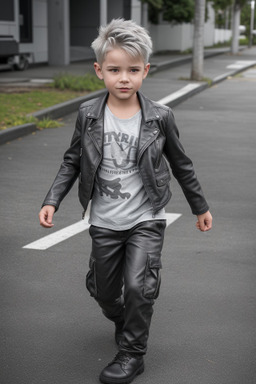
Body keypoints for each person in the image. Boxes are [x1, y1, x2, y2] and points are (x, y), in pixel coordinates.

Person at [39, 18, 212, 384]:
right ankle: (124, 316)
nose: (124, 78)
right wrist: (52, 199)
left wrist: (200, 206)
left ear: (145, 70)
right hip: (103, 219)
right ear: (99, 70)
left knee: (138, 286)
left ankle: (132, 353)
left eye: (133, 70)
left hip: (146, 217)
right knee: (104, 291)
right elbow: (72, 160)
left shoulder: (159, 117)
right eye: (115, 70)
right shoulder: (88, 115)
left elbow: (182, 164)